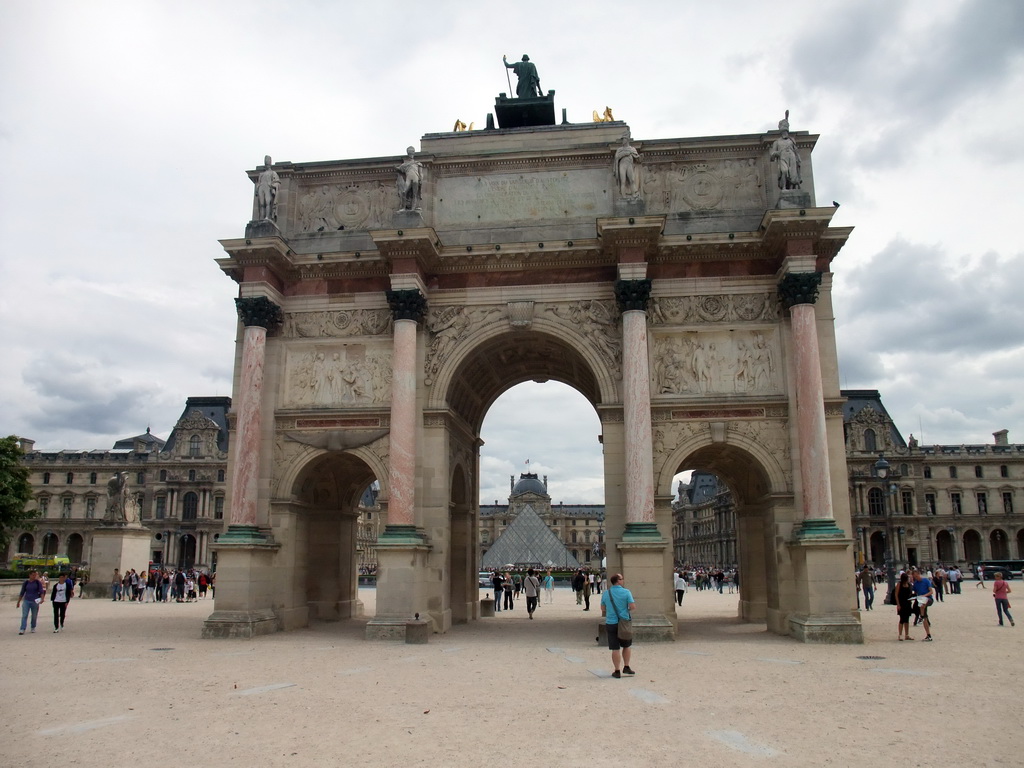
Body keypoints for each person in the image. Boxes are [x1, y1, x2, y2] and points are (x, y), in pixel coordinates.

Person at [600, 573, 636, 679]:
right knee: (626, 645)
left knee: (615, 648)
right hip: (623, 622)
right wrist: (625, 611)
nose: (623, 580)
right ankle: (626, 666)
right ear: (618, 581)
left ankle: (617, 670)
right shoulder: (626, 592)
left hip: (611, 623)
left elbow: (603, 609)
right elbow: (633, 607)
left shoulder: (606, 593)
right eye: (622, 578)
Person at [769, 110, 802, 190]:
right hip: (782, 157)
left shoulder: (791, 140)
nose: (785, 133)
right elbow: (772, 155)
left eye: (786, 131)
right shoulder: (777, 142)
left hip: (791, 156)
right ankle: (784, 187)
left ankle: (791, 187)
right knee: (784, 171)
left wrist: (798, 159)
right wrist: (777, 153)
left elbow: (796, 150)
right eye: (784, 131)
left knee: (793, 173)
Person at [17, 570, 46, 635]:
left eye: (35, 575)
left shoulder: (38, 582)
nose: (34, 576)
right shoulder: (26, 583)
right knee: (24, 615)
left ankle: (33, 626)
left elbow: (41, 591)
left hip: (35, 601)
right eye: (33, 575)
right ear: (29, 575)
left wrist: (42, 598)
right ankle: (22, 628)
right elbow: (22, 592)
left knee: (34, 615)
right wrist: (18, 601)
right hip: (26, 600)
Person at [395, 146, 423, 211]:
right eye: (410, 152)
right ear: (408, 153)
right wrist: (394, 167)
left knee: (415, 194)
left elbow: (420, 173)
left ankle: (413, 209)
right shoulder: (405, 164)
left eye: (412, 151)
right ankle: (403, 207)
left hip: (416, 178)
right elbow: (399, 169)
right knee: (404, 192)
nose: (411, 153)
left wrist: (421, 180)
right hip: (409, 179)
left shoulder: (418, 163)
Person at [911, 568, 935, 641]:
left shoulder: (926, 581)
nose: (916, 578)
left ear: (919, 574)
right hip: (921, 601)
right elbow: (914, 592)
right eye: (914, 577)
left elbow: (931, 592)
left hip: (928, 599)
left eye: (916, 576)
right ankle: (928, 634)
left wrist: (924, 596)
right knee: (925, 617)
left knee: (922, 603)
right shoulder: (915, 583)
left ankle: (921, 617)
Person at [894, 571, 915, 640]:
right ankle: (900, 635)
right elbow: (896, 594)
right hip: (902, 603)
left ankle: (907, 635)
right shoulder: (899, 584)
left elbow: (910, 593)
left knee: (907, 620)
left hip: (908, 603)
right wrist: (898, 604)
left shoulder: (909, 585)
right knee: (902, 619)